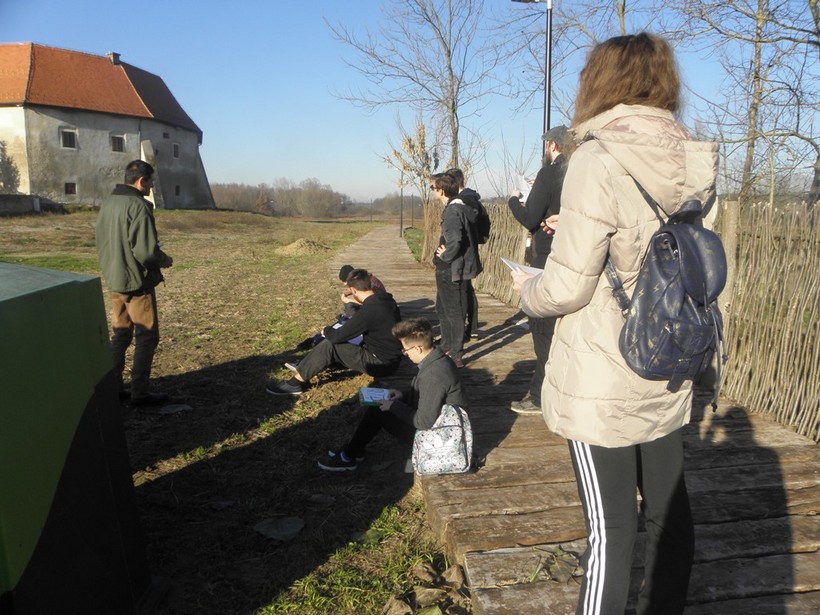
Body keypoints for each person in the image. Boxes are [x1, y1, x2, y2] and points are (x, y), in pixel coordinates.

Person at [513, 33, 718, 614]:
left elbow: (569, 286)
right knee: (669, 516)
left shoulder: (595, 159)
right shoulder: (695, 162)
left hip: (603, 371)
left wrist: (528, 290)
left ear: (600, 83)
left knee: (610, 531)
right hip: (671, 358)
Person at [317, 318, 466, 471]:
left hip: (438, 437)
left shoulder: (433, 374)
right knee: (379, 407)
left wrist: (393, 406)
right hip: (438, 423)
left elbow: (423, 422)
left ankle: (348, 456)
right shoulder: (437, 358)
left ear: (418, 349)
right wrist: (402, 395)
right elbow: (427, 393)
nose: (404, 354)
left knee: (378, 411)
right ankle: (352, 451)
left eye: (405, 350)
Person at [95, 160, 174, 406]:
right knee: (147, 336)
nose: (152, 186)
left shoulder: (108, 203)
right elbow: (146, 252)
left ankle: (113, 387)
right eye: (150, 181)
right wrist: (164, 259)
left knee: (120, 335)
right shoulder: (138, 206)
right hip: (137, 282)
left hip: (114, 279)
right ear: (141, 181)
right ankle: (140, 392)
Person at [506, 125, 572, 414]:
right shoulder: (579, 173)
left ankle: (539, 396)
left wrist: (514, 200)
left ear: (553, 146)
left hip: (546, 256)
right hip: (574, 256)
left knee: (542, 328)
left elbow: (531, 218)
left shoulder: (549, 173)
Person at [266, 268, 403, 395]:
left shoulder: (369, 311)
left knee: (330, 344)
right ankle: (308, 364)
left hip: (382, 364)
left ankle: (295, 383)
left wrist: (325, 330)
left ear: (353, 291)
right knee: (345, 340)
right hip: (392, 358)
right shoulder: (385, 299)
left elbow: (336, 337)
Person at [432, 172, 482, 368]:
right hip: (454, 266)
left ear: (441, 190)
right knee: (443, 307)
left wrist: (445, 255)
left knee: (452, 310)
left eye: (433, 188)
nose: (432, 191)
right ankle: (447, 344)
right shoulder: (460, 206)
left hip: (451, 268)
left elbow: (455, 239)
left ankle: (455, 353)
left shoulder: (453, 211)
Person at [296, 264, 387, 350]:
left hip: (375, 313)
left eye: (345, 281)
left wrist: (348, 300)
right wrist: (345, 293)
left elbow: (370, 305)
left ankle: (320, 340)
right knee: (344, 317)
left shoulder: (372, 286)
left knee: (348, 308)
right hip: (372, 310)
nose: (344, 284)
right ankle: (317, 338)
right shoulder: (364, 279)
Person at [444, 168, 483, 343]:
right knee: (468, 290)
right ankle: (473, 327)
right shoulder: (472, 199)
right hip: (471, 250)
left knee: (462, 292)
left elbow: (458, 235)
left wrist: (447, 255)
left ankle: (461, 335)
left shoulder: (460, 202)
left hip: (463, 254)